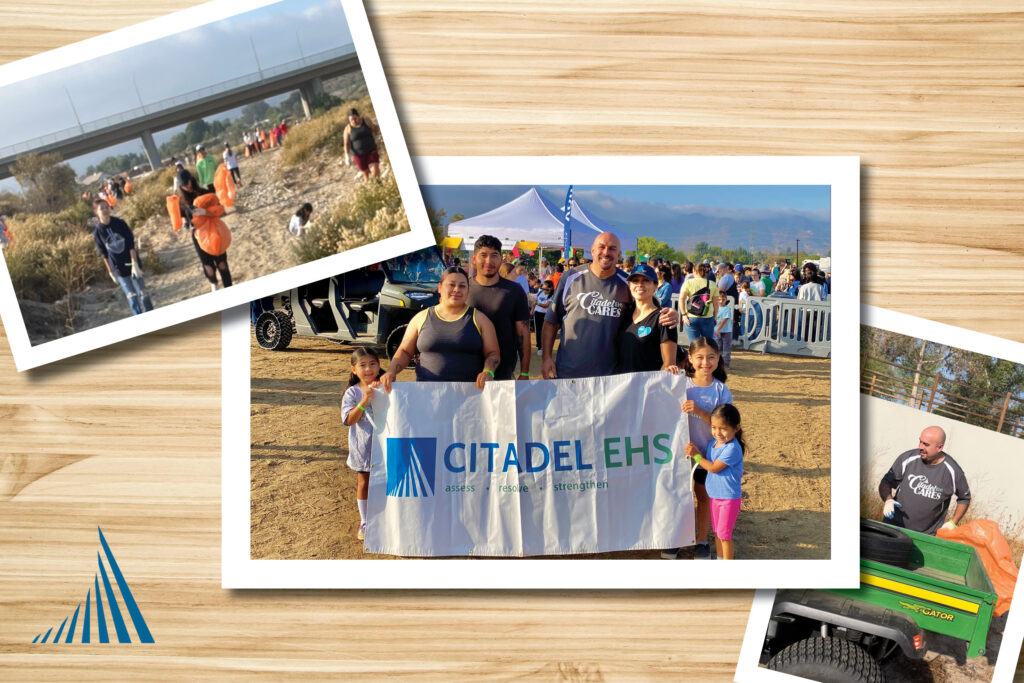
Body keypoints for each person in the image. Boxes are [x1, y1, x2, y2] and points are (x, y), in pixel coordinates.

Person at [542, 232, 677, 380]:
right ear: (592, 250)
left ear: (619, 254)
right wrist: (547, 357)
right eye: (602, 247)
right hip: (569, 374)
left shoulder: (627, 283)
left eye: (612, 248)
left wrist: (669, 314)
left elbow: (645, 308)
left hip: (610, 379)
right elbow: (551, 322)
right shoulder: (571, 277)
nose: (606, 252)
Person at [666, 337, 732, 560]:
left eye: (711, 357)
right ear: (691, 359)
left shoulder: (721, 390)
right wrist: (668, 373)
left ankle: (701, 541)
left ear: (718, 359)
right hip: (681, 454)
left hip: (709, 456)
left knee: (703, 498)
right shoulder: (680, 384)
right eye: (700, 358)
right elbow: (659, 399)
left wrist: (702, 412)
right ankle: (677, 538)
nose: (706, 362)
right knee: (680, 496)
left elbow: (727, 426)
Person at [381, 266, 500, 390]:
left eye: (462, 286)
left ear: (468, 290)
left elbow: (493, 354)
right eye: (451, 285)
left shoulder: (480, 320)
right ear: (440, 287)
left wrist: (488, 372)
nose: (457, 290)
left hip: (468, 396)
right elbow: (405, 351)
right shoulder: (421, 318)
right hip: (427, 395)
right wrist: (391, 372)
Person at [878, 426, 971, 535]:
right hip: (893, 528)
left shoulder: (953, 471)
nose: (920, 447)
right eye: (920, 442)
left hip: (926, 536)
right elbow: (886, 482)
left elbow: (964, 498)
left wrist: (953, 522)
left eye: (926, 444)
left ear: (939, 447)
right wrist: (888, 500)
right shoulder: (907, 458)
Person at [466, 235, 532, 381]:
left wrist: (525, 372)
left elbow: (523, 334)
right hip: (465, 371)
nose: (489, 261)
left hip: (503, 373)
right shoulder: (463, 289)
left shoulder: (514, 291)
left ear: (501, 260)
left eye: (494, 256)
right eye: (483, 255)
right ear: (474, 259)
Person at [685, 403, 745, 560]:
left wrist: (696, 456)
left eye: (723, 428)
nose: (718, 433)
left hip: (728, 499)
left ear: (736, 428)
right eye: (714, 427)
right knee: (718, 533)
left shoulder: (732, 449)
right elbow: (708, 461)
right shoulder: (713, 444)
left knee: (725, 536)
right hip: (716, 497)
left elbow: (712, 468)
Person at [341, 347, 383, 541]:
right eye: (363, 365)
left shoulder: (385, 387)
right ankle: (365, 520)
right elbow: (348, 420)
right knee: (364, 481)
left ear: (379, 365)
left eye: (372, 364)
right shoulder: (352, 393)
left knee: (384, 480)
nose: (368, 369)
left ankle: (384, 517)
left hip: (384, 446)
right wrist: (364, 401)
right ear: (354, 369)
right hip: (363, 447)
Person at [91, 199, 153, 316]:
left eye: (106, 207)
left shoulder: (120, 223)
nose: (105, 210)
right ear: (96, 212)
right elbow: (104, 254)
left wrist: (134, 263)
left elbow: (130, 244)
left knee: (143, 293)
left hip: (131, 263)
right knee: (132, 297)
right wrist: (111, 272)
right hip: (118, 268)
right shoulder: (98, 233)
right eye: (101, 208)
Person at [616, 264, 679, 374]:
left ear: (655, 285)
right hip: (622, 386)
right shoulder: (623, 313)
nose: (640, 285)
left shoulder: (664, 319)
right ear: (629, 285)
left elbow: (668, 365)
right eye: (635, 281)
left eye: (645, 280)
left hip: (647, 388)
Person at [176, 174, 232, 291]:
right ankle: (214, 283)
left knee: (222, 264)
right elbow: (183, 217)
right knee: (209, 268)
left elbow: (219, 211)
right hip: (198, 235)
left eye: (187, 183)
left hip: (213, 231)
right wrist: (185, 223)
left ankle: (229, 289)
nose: (187, 187)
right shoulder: (182, 202)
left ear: (191, 180)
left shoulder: (204, 192)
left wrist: (204, 212)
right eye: (183, 186)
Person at [680, 261, 719, 344]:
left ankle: (694, 357)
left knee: (693, 343)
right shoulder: (712, 284)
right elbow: (716, 303)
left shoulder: (688, 283)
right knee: (708, 343)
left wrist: (684, 315)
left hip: (691, 316)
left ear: (695, 271)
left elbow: (681, 299)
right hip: (707, 316)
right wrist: (715, 317)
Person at [343, 108, 381, 181]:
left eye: (355, 118)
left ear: (358, 116)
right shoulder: (347, 129)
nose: (354, 121)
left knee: (375, 169)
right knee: (366, 176)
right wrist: (347, 156)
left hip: (371, 150)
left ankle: (379, 183)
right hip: (359, 156)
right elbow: (346, 144)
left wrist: (378, 128)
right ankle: (372, 189)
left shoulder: (366, 121)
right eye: (351, 120)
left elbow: (375, 130)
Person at [533, 279, 554, 354]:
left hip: (545, 315)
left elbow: (546, 305)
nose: (544, 290)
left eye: (546, 289)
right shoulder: (540, 293)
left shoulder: (551, 295)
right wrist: (532, 310)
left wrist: (537, 303)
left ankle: (545, 347)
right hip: (537, 314)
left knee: (545, 331)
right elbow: (534, 302)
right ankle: (539, 347)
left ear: (551, 288)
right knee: (538, 331)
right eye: (543, 288)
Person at [713, 291, 733, 366]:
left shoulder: (727, 309)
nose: (721, 301)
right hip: (717, 331)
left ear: (726, 299)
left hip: (726, 331)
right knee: (718, 347)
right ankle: (718, 361)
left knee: (726, 347)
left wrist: (718, 329)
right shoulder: (715, 308)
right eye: (719, 299)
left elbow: (725, 320)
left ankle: (726, 362)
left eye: (723, 299)